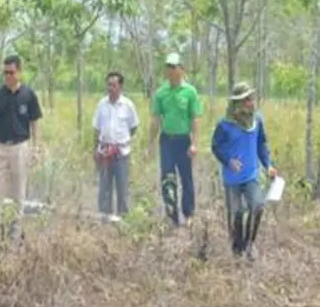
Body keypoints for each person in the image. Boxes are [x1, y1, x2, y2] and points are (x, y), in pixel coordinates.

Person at [211, 82, 277, 260]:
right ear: (237, 102)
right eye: (247, 99)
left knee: (257, 206)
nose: (251, 102)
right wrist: (228, 160)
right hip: (232, 178)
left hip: (251, 175)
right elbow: (216, 147)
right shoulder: (224, 125)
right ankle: (236, 248)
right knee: (237, 212)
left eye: (252, 98)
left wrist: (268, 164)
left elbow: (261, 144)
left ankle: (250, 245)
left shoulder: (257, 120)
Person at [0, 54, 43, 242]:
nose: (7, 76)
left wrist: (36, 148)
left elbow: (35, 122)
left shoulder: (29, 95)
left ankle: (16, 230)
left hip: (20, 147)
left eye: (11, 72)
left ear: (19, 72)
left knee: (19, 190)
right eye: (5, 72)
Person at [148, 53, 202, 227]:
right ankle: (172, 216)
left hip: (183, 140)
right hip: (167, 141)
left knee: (186, 178)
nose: (170, 71)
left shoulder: (190, 92)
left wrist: (194, 143)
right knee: (167, 177)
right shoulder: (161, 93)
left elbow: (194, 118)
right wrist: (150, 144)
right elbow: (155, 119)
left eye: (173, 67)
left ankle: (188, 213)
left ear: (181, 69)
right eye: (168, 67)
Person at [92, 72, 139, 217]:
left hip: (121, 153)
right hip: (104, 151)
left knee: (122, 186)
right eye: (108, 85)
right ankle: (104, 217)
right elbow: (96, 128)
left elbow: (134, 127)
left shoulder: (128, 105)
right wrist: (95, 149)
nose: (110, 88)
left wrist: (121, 142)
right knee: (104, 187)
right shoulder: (101, 104)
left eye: (114, 85)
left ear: (120, 86)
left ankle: (122, 218)